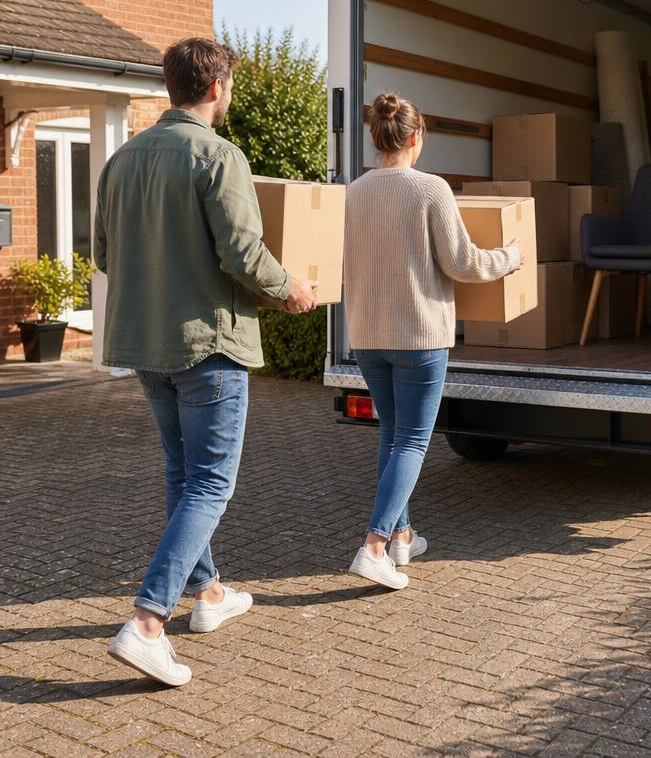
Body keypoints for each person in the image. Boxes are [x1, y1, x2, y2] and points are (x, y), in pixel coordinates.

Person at [95, 37, 318, 686]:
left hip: (144, 344)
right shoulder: (218, 156)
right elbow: (245, 257)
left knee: (182, 470)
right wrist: (292, 290)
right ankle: (147, 622)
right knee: (212, 482)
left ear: (173, 87)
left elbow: (106, 256)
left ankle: (210, 594)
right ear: (217, 88)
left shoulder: (121, 161)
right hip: (208, 346)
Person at [344, 93, 524, 590]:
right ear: (416, 137)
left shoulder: (353, 192)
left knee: (393, 435)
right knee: (413, 440)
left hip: (367, 335)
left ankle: (401, 536)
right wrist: (509, 257)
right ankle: (375, 545)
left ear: (377, 138)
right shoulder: (430, 190)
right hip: (418, 335)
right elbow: (463, 263)